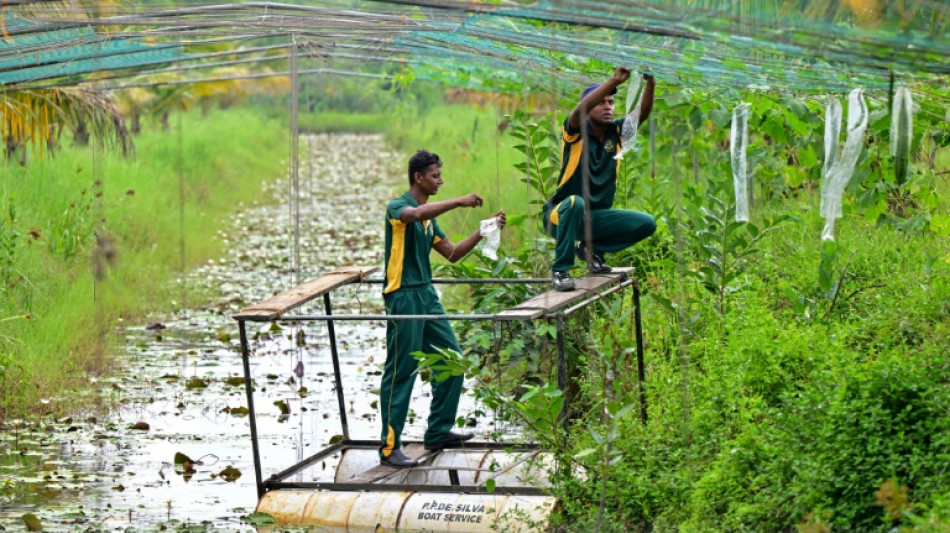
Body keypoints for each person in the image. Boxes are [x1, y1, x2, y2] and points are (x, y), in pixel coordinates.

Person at [378, 149, 506, 468]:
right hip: (403, 296)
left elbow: (452, 253)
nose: (440, 181)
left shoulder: (429, 220)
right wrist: (459, 202)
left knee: (452, 359)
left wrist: (483, 231)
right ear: (418, 177)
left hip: (426, 295)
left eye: (440, 175)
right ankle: (389, 446)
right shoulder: (399, 208)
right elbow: (414, 215)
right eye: (435, 176)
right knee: (401, 369)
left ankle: (437, 432)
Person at [542, 67, 658, 291]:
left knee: (646, 223)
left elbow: (641, 114)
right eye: (601, 102)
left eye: (611, 103)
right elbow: (579, 111)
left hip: (594, 218)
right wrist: (614, 80)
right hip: (560, 214)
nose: (608, 107)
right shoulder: (574, 131)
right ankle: (560, 270)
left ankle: (591, 249)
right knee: (576, 202)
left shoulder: (616, 134)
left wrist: (651, 84)